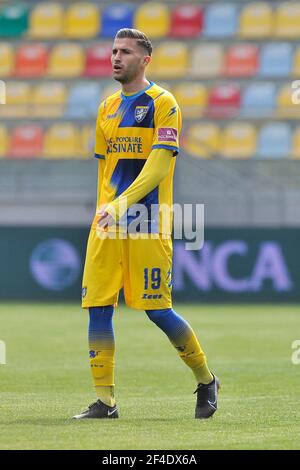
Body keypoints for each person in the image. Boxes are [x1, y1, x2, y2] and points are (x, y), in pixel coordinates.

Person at [73, 29, 219, 420]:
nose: (116, 57)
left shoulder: (163, 103)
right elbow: (104, 168)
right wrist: (104, 210)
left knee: (158, 311)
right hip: (108, 223)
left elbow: (158, 166)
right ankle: (105, 402)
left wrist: (121, 204)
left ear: (145, 60)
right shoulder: (105, 108)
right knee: (98, 307)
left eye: (125, 52)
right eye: (113, 51)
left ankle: (206, 380)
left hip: (147, 220)